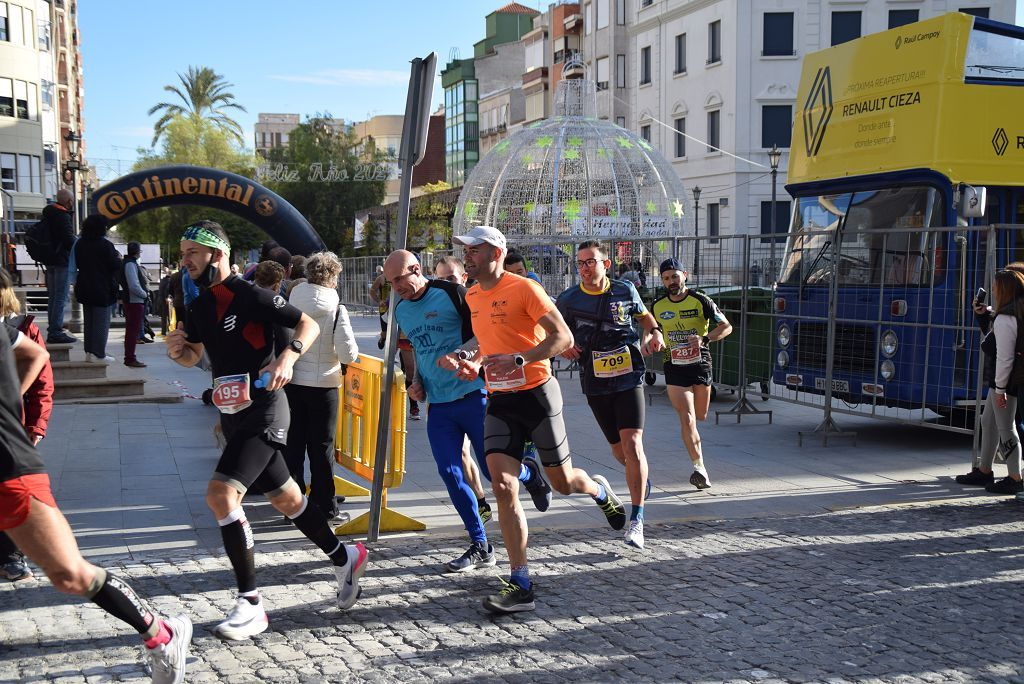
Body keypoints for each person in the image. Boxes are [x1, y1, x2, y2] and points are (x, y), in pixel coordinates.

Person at [165, 220, 366, 639]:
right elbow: (196, 358)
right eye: (183, 254)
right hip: (233, 412)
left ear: (215, 254)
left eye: (190, 254)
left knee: (220, 494)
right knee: (288, 499)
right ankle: (345, 556)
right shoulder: (200, 305)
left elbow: (307, 324)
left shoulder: (251, 294)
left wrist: (287, 359)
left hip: (269, 409)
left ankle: (251, 604)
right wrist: (179, 352)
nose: (184, 262)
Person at [446, 225, 626, 613]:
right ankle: (520, 580)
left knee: (562, 483)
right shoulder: (472, 293)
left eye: (473, 250)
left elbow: (562, 339)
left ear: (494, 253)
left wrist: (520, 360)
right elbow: (486, 340)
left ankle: (598, 491)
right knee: (504, 485)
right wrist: (471, 362)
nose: (467, 256)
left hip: (538, 395)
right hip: (499, 400)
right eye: (465, 250)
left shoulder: (524, 289)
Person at [1, 321, 191, 681]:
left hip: (10, 471)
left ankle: (163, 634)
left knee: (69, 575)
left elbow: (36, 353)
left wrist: (9, 409)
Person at [556, 241, 665, 549]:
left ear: (606, 263)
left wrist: (654, 333)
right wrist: (564, 345)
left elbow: (645, 318)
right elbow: (554, 331)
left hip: (629, 376)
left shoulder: (625, 290)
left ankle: (637, 520)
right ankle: (639, 481)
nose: (585, 267)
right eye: (580, 263)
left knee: (633, 445)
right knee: (620, 452)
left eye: (591, 261)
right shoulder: (568, 299)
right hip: (596, 381)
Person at [284, 251, 359, 522]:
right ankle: (326, 505)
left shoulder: (293, 298)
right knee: (322, 446)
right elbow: (348, 352)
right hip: (324, 384)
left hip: (293, 380)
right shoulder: (337, 308)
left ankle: (292, 505)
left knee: (294, 443)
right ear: (334, 276)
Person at [651, 258, 732, 490]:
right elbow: (651, 330)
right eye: (666, 278)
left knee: (700, 415)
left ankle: (695, 445)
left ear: (684, 275)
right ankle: (699, 468)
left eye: (675, 276)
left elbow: (726, 326)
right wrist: (650, 341)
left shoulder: (701, 300)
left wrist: (704, 339)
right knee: (686, 418)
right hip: (673, 365)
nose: (671, 282)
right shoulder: (657, 306)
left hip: (699, 363)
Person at [0, 266, 53, 581]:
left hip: (12, 431)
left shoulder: (20, 329)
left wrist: (35, 426)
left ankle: (12, 557)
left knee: (14, 493)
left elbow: (42, 382)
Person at [433, 256, 491, 523]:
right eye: (440, 279)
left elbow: (486, 337)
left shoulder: (471, 303)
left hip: (477, 390)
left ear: (463, 279)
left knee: (493, 466)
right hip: (443, 398)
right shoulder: (431, 306)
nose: (445, 285)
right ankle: (480, 501)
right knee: (458, 458)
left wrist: (463, 356)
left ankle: (528, 475)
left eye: (451, 279)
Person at [957, 269, 1024, 495]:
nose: (992, 291)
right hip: (1007, 378)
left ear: (1003, 290)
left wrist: (1000, 390)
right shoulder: (1015, 310)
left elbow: (1004, 357)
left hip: (1005, 380)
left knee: (1006, 427)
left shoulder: (1006, 318)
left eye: (995, 288)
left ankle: (1014, 477)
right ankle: (985, 470)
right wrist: (987, 312)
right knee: (989, 422)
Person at [371, 262, 421, 420]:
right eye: (393, 281)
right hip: (391, 317)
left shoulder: (424, 287)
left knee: (411, 368)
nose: (398, 285)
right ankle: (384, 337)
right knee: (410, 368)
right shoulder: (382, 279)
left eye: (400, 279)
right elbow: (373, 291)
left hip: (415, 329)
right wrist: (380, 301)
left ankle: (413, 403)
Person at [72, 215, 121, 363]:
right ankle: (98, 353)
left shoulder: (80, 244)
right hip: (102, 287)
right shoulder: (105, 245)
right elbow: (115, 265)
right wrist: (118, 258)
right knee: (101, 322)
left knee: (89, 322)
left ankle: (89, 352)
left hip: (84, 286)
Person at [41, 188, 77, 344]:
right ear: (68, 201)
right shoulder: (62, 216)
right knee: (60, 297)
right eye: (71, 201)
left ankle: (53, 328)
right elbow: (69, 240)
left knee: (53, 296)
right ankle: (56, 331)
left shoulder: (47, 214)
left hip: (49, 260)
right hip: (61, 260)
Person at [120, 242, 148, 368]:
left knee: (132, 330)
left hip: (132, 300)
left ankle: (130, 356)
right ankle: (130, 357)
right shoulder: (130, 264)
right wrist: (144, 295)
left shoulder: (128, 263)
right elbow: (133, 285)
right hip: (134, 301)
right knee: (132, 331)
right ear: (137, 252)